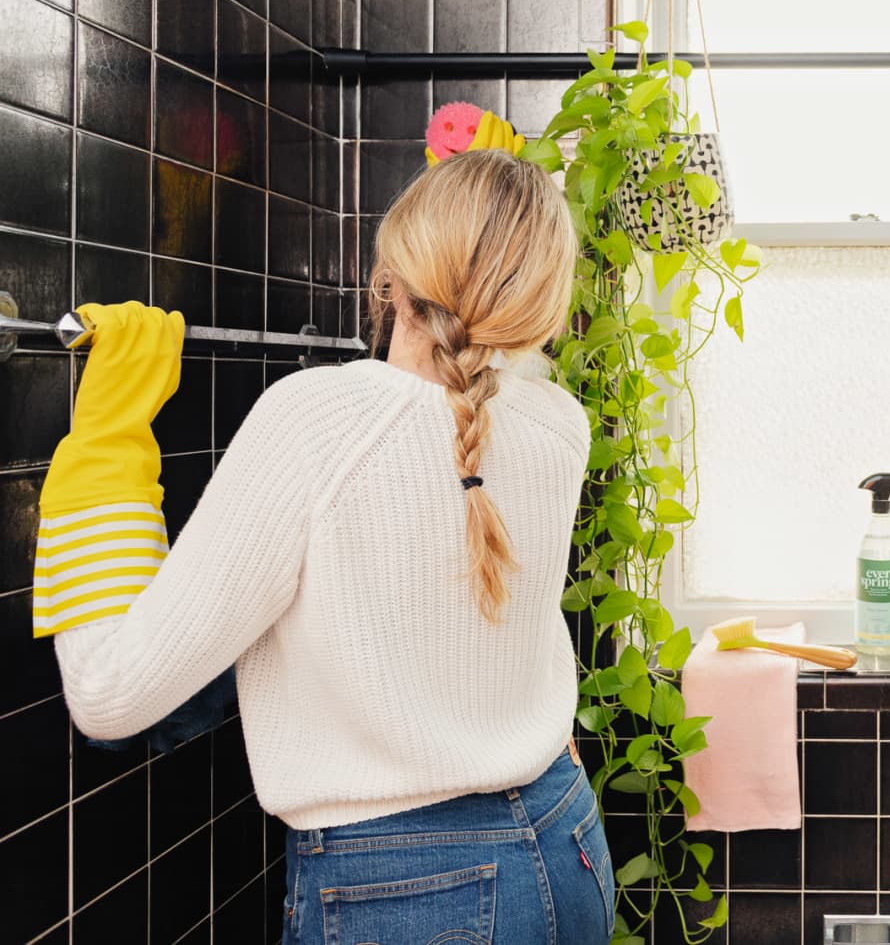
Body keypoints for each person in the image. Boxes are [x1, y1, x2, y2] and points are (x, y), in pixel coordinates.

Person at [33, 150, 612, 945]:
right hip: (566, 842)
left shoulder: (316, 423)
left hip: (409, 894)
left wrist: (105, 445)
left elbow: (110, 695)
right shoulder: (561, 424)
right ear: (542, 304)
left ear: (391, 277)